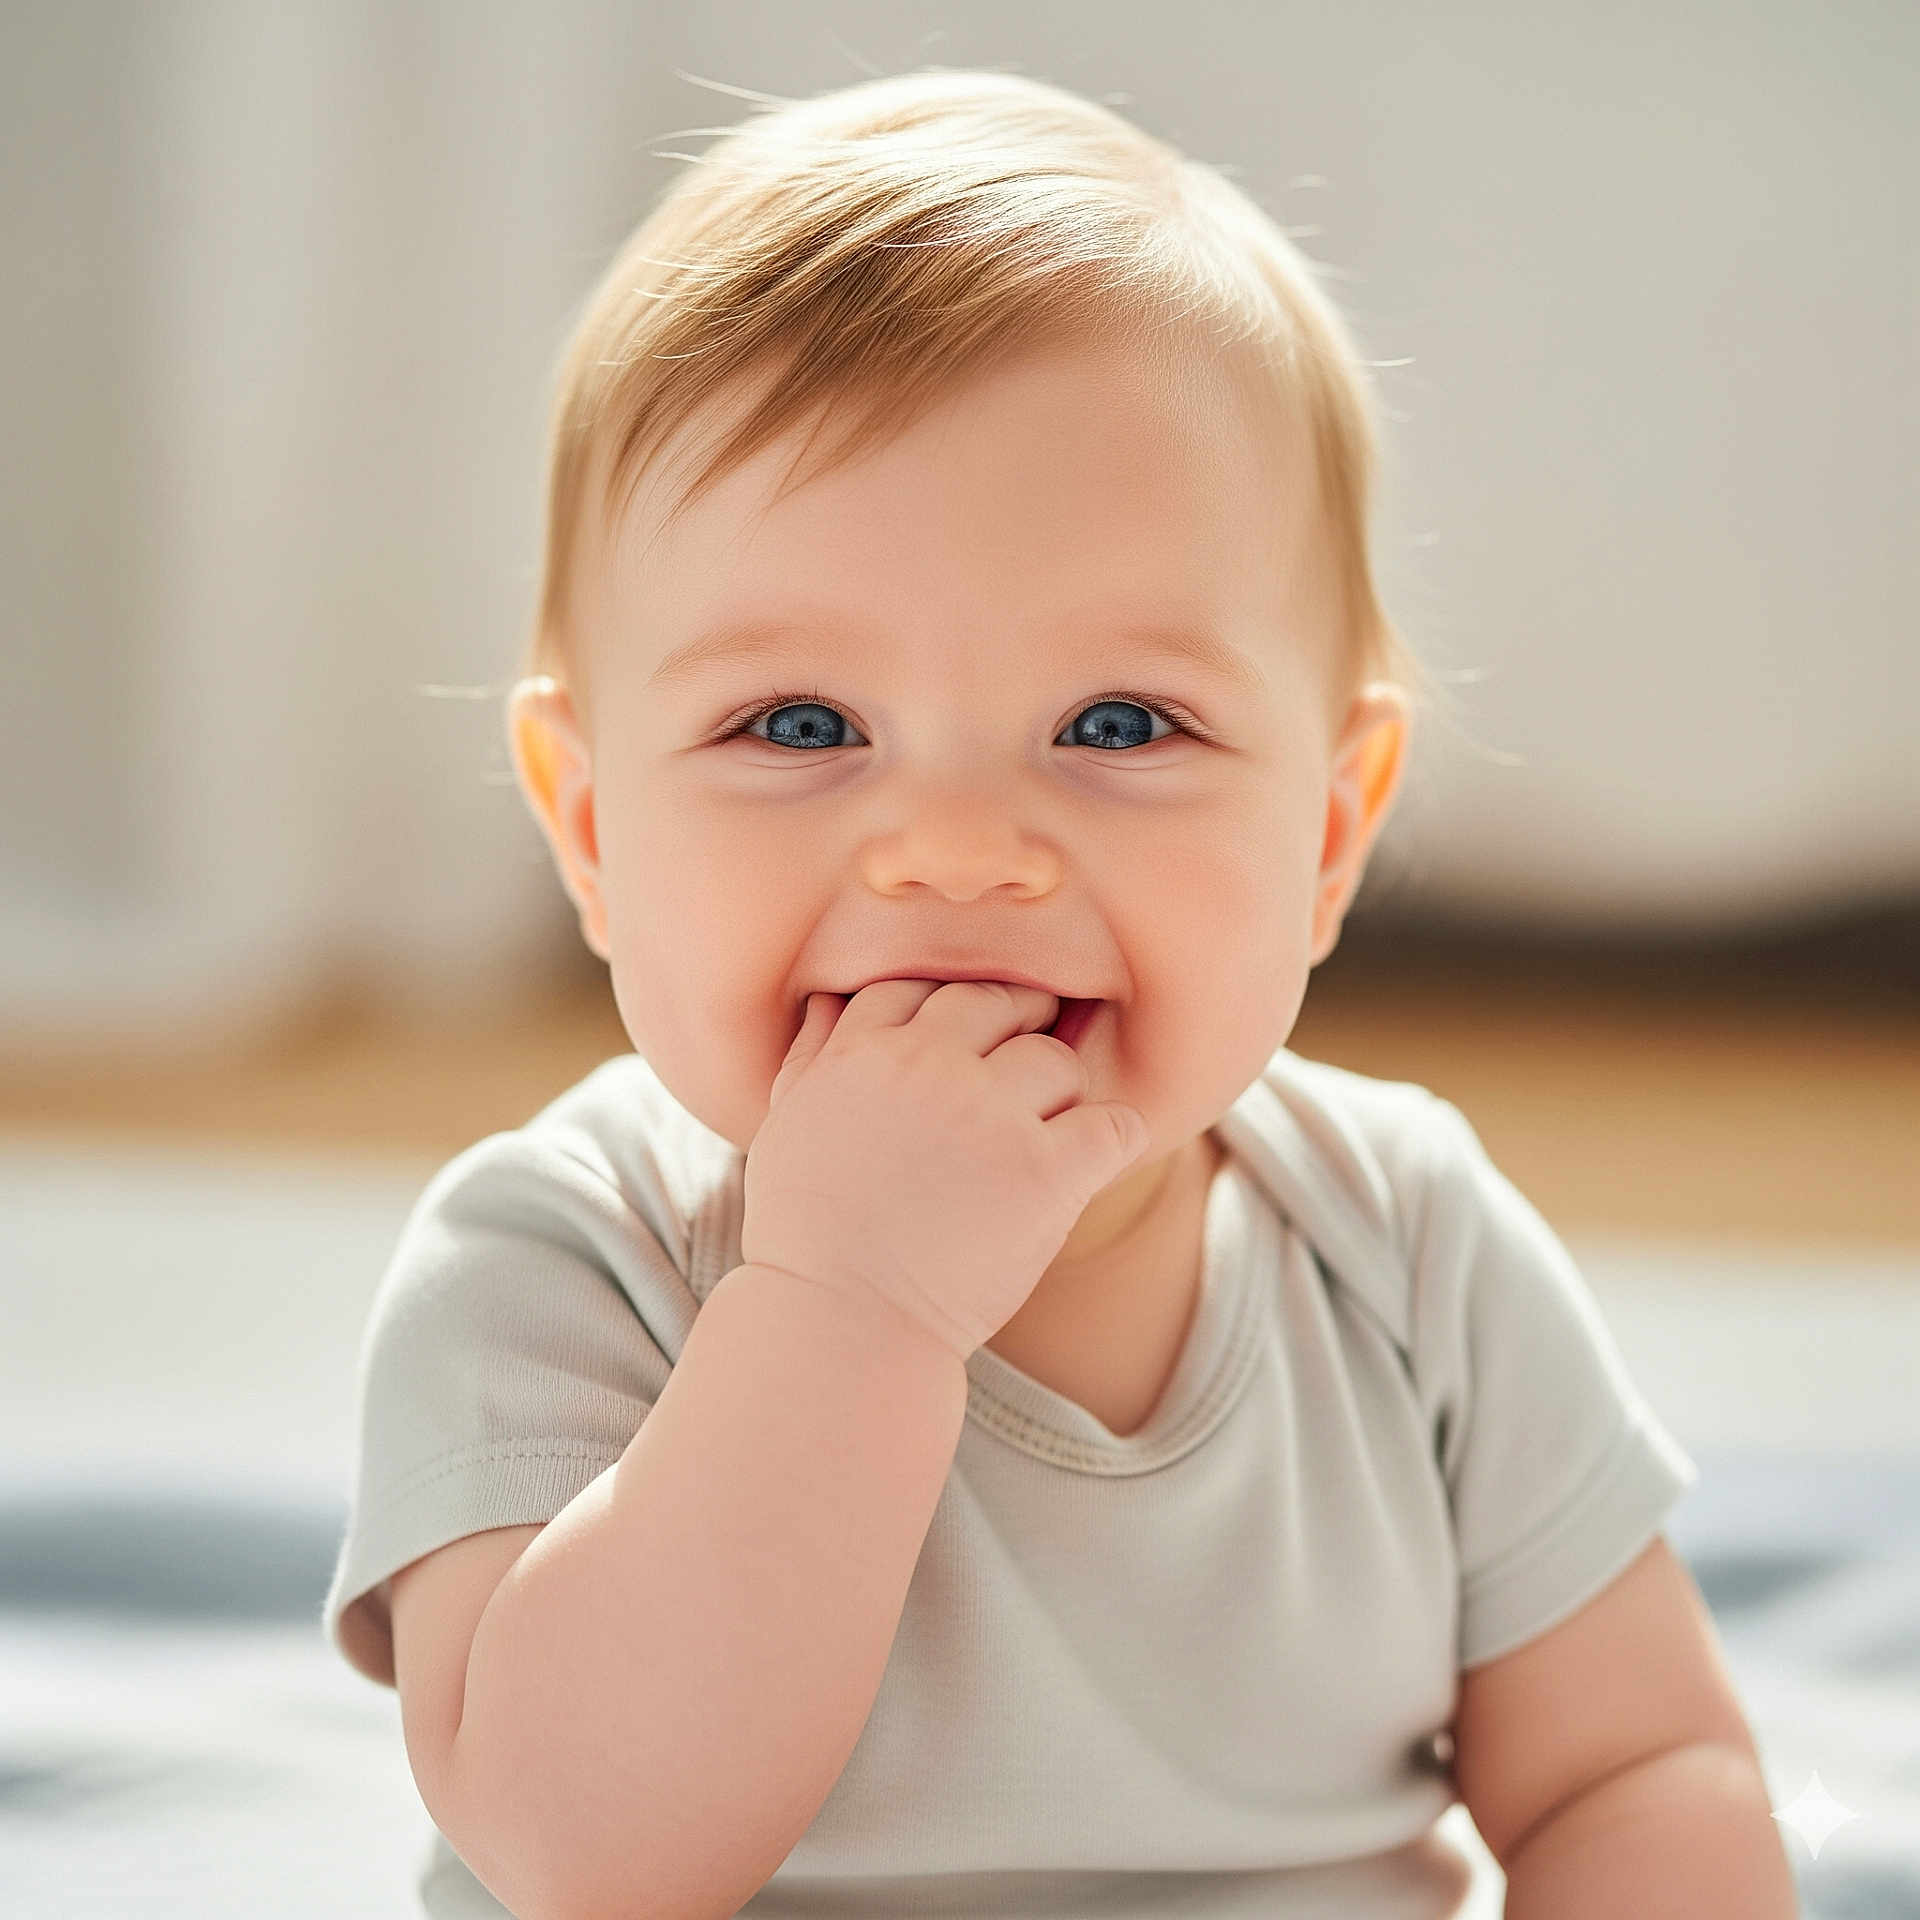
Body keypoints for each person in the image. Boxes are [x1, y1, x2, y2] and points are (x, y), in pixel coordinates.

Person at [321, 67, 1797, 1920]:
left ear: (1330, 830)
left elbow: (1630, 1769)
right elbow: (586, 1851)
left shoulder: (1409, 1254)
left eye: (1118, 723)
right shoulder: (560, 1262)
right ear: (594, 830)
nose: (957, 851)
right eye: (801, 724)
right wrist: (848, 1305)